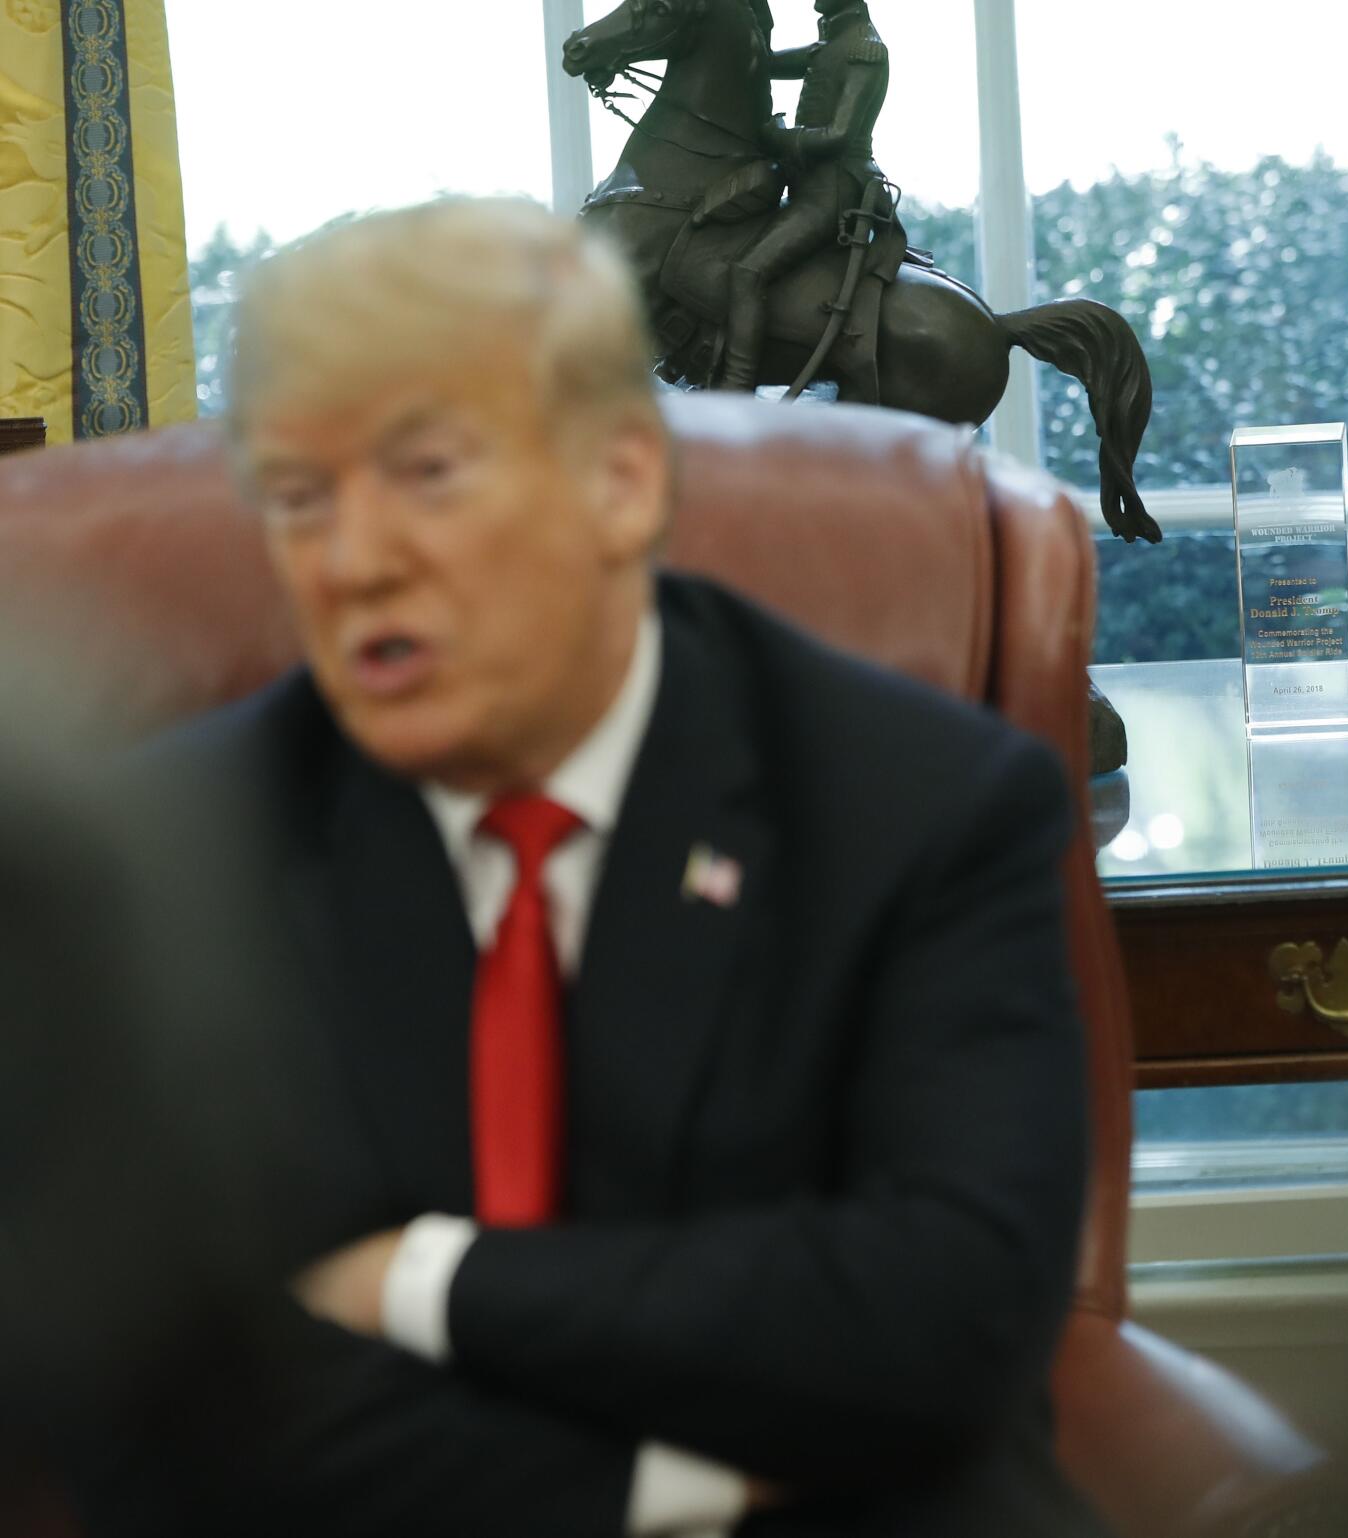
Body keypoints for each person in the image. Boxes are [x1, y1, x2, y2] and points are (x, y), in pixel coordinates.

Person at [144, 197, 1104, 1537]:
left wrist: (424, 1278)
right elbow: (155, 1399)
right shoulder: (173, 860)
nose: (353, 560)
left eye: (428, 474)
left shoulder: (919, 807)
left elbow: (942, 1320)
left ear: (624, 481)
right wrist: (666, 1486)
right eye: (299, 498)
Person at [720, 0, 890, 391]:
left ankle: (736, 386)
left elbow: (838, 135)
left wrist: (778, 137)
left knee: (749, 271)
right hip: (811, 181)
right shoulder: (830, 44)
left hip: (834, 186)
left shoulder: (864, 48)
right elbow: (767, 64)